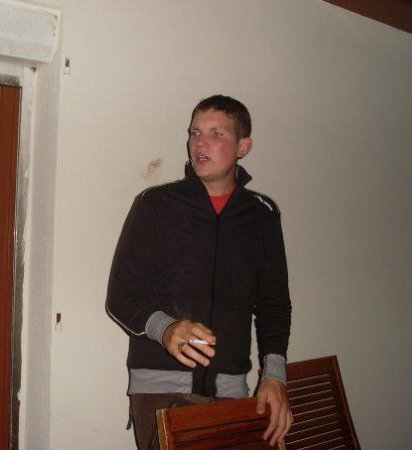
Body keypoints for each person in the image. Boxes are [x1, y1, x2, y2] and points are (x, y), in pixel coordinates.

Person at [106, 95, 292, 449]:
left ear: (243, 146)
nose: (200, 143)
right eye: (194, 133)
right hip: (160, 391)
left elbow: (274, 304)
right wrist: (166, 328)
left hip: (230, 391)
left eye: (216, 134)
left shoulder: (263, 214)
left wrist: (274, 375)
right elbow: (121, 295)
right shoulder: (155, 204)